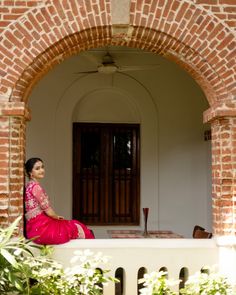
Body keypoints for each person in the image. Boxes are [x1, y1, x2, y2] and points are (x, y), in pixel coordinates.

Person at [24, 157, 94, 244]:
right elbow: (48, 211)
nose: (41, 170)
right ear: (31, 173)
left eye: (42, 167)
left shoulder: (29, 186)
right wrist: (57, 217)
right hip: (41, 228)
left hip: (33, 228)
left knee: (71, 225)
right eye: (37, 168)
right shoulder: (36, 187)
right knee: (75, 226)